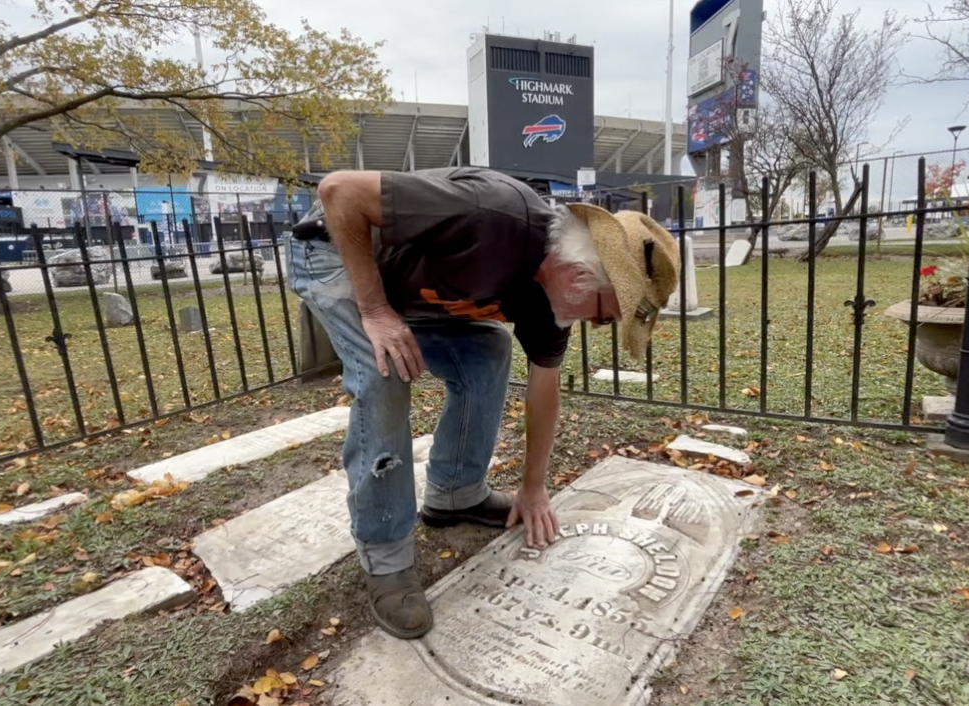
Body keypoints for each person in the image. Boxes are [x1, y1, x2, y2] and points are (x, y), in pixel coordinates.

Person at [286, 167, 679, 640]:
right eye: (604, 315)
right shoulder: (489, 213)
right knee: (382, 371)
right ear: (579, 275)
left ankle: (455, 494)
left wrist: (534, 489)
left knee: (487, 350)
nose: (597, 327)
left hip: (409, 282)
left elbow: (544, 388)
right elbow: (339, 191)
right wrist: (374, 311)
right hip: (336, 251)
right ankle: (385, 553)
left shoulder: (551, 300)